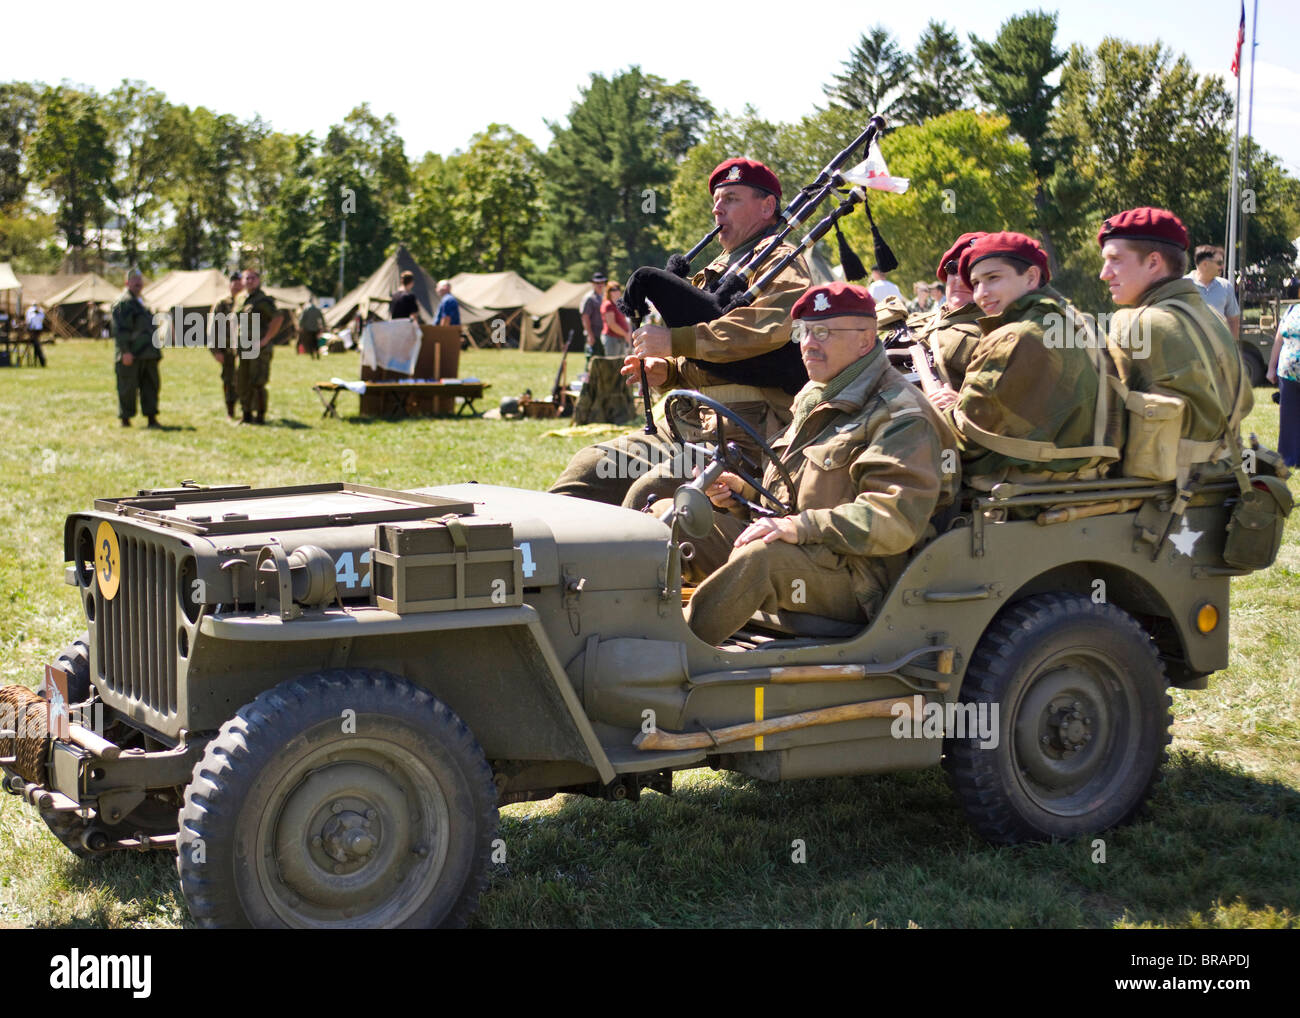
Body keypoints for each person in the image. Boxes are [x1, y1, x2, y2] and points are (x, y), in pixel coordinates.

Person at [666, 282, 957, 646]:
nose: (808, 344)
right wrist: (741, 495)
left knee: (762, 560)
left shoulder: (901, 414)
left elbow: (893, 520)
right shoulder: (819, 393)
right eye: (803, 332)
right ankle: (625, 630)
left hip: (860, 578)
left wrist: (801, 527)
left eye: (824, 333)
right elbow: (795, 491)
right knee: (668, 520)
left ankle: (670, 658)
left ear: (866, 341)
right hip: (806, 551)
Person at [550, 157, 811, 510]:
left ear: (767, 206)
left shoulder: (782, 262)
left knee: (647, 494)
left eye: (732, 198)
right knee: (591, 469)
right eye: (716, 200)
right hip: (683, 425)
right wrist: (669, 369)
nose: (718, 209)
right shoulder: (715, 269)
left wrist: (676, 342)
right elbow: (701, 352)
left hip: (745, 433)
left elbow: (767, 327)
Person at [926, 232, 1118, 489]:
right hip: (1084, 475)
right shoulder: (1079, 322)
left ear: (1030, 277)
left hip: (1025, 485)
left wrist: (940, 408)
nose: (982, 293)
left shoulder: (1012, 337)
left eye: (993, 278)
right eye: (976, 283)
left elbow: (966, 441)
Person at [1100, 207, 1253, 480]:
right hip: (1223, 475)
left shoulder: (1133, 322)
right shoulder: (1213, 316)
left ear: (1153, 262)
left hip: (1161, 490)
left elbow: (1106, 423)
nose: (1104, 273)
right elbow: (1245, 401)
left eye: (1115, 260)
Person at [910, 232, 987, 392]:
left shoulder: (997, 336)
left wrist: (959, 403)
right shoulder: (917, 322)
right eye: (953, 269)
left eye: (969, 271)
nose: (959, 279)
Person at [111, 269, 161, 428]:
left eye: (140, 280)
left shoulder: (143, 301)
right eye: (134, 280)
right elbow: (120, 330)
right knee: (128, 387)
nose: (138, 283)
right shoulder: (123, 302)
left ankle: (152, 418)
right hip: (132, 353)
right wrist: (125, 351)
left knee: (151, 386)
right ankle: (125, 419)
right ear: (127, 283)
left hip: (148, 353)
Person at [236, 268, 282, 425]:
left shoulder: (263, 300)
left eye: (253, 278)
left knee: (258, 382)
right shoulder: (242, 300)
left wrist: (266, 339)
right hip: (244, 348)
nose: (249, 281)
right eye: (246, 278)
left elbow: (278, 318)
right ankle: (246, 414)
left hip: (259, 348)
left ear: (258, 280)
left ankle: (260, 416)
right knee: (243, 382)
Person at [1267, 300, 1300, 467]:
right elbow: (1279, 340)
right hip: (1287, 375)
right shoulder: (1291, 310)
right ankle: (1288, 458)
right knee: (1288, 418)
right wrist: (1271, 368)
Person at [1186, 245, 1241, 339]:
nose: (1222, 266)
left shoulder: (1226, 286)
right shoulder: (1183, 285)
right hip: (1190, 348)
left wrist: (1233, 347)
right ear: (1205, 264)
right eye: (1219, 263)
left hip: (1218, 350)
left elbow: (1233, 320)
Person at [209, 272, 243, 418]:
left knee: (246, 380)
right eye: (234, 284)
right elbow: (212, 328)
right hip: (227, 350)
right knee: (229, 380)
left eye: (239, 284)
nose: (237, 287)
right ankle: (231, 410)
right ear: (230, 285)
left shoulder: (248, 301)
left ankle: (246, 410)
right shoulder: (222, 303)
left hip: (246, 349)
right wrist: (215, 350)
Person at [600, 280, 631, 359]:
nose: (616, 291)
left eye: (617, 288)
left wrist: (628, 333)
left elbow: (625, 320)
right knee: (612, 365)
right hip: (612, 338)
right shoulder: (608, 305)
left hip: (621, 338)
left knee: (620, 364)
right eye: (613, 289)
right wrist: (625, 334)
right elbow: (612, 324)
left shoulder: (619, 304)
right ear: (609, 292)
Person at [580, 272, 606, 357]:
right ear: (593, 284)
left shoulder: (604, 296)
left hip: (603, 333)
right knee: (592, 361)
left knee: (602, 360)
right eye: (597, 283)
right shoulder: (589, 298)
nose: (600, 285)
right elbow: (585, 317)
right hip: (594, 333)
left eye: (602, 282)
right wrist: (590, 335)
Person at [24, 302, 47, 367]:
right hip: (35, 329)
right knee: (36, 345)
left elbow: (28, 320)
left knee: (36, 345)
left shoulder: (35, 311)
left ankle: (37, 361)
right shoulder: (33, 311)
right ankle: (38, 361)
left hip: (35, 330)